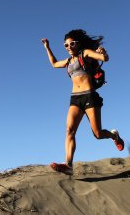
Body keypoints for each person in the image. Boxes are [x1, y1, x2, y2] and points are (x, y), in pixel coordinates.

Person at [41, 29, 124, 175]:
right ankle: (68, 165)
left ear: (78, 44)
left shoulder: (84, 53)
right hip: (75, 98)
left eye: (72, 44)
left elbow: (104, 59)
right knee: (69, 131)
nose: (69, 47)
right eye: (66, 45)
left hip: (89, 96)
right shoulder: (68, 62)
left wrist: (102, 53)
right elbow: (54, 64)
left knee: (98, 134)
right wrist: (47, 47)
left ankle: (114, 136)